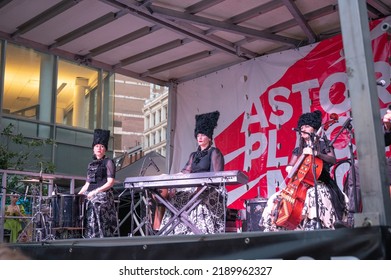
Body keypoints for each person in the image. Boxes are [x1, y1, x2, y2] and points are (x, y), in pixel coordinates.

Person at [260, 110, 349, 231]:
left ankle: (313, 224)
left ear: (314, 128)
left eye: (307, 126)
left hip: (321, 182)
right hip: (301, 185)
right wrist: (290, 167)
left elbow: (332, 159)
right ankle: (276, 225)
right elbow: (291, 165)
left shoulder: (323, 145)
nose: (304, 129)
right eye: (302, 127)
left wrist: (316, 153)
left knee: (313, 195)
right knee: (276, 197)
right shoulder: (299, 150)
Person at [155, 111, 226, 235]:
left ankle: (197, 231)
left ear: (209, 137)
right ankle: (175, 231)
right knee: (176, 196)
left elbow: (217, 177)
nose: (199, 138)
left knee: (193, 196)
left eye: (203, 135)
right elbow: (184, 173)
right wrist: (167, 176)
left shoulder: (215, 152)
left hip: (209, 189)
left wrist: (201, 186)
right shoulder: (194, 155)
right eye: (198, 135)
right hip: (195, 189)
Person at [78, 129, 117, 238]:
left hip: (103, 194)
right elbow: (86, 184)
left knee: (94, 202)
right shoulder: (90, 164)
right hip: (90, 192)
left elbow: (110, 183)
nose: (99, 148)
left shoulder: (109, 162)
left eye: (102, 146)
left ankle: (96, 235)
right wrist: (78, 196)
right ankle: (81, 235)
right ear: (93, 149)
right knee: (76, 203)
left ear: (105, 149)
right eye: (97, 146)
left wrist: (95, 192)